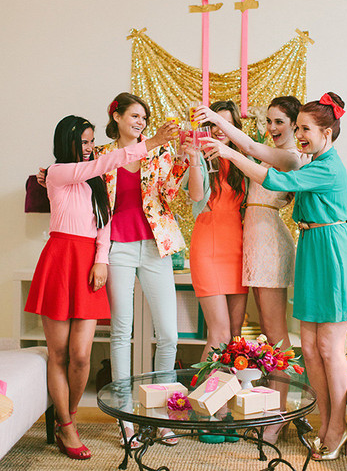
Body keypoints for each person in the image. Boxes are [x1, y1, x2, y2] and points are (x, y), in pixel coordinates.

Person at [202, 92, 347, 460]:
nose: (300, 134)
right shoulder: (312, 159)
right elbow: (253, 148)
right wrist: (220, 128)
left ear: (327, 132)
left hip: (333, 253)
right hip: (312, 250)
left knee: (329, 347)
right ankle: (324, 424)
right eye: (299, 128)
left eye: (305, 129)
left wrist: (230, 153)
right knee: (308, 348)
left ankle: (337, 427)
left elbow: (276, 181)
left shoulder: (327, 167)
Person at [26, 115, 174, 460]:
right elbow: (106, 162)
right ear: (67, 142)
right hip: (60, 259)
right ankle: (67, 425)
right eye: (84, 142)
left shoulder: (95, 181)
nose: (90, 148)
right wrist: (151, 143)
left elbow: (104, 224)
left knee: (81, 356)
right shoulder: (59, 172)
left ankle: (69, 415)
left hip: (89, 262)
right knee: (59, 354)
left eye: (92, 141)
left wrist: (101, 259)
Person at [96, 92, 189, 447]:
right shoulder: (103, 155)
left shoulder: (159, 151)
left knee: (168, 335)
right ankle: (126, 420)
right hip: (117, 247)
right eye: (135, 115)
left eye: (144, 118)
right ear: (116, 116)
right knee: (121, 333)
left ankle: (161, 415)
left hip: (154, 245)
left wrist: (182, 159)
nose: (141, 122)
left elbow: (170, 195)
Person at [194, 97, 306, 349]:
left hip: (268, 241)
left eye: (280, 122)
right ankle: (271, 378)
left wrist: (217, 124)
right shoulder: (270, 155)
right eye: (269, 121)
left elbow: (250, 148)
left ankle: (286, 378)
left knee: (274, 331)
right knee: (266, 329)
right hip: (253, 242)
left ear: (294, 125)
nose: (272, 127)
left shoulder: (292, 158)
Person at [182, 100, 248, 444]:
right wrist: (195, 159)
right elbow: (195, 195)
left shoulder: (241, 162)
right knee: (219, 333)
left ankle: (224, 410)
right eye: (214, 124)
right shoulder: (202, 159)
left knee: (235, 336)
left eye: (226, 125)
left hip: (238, 251)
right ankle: (203, 411)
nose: (220, 131)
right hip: (207, 248)